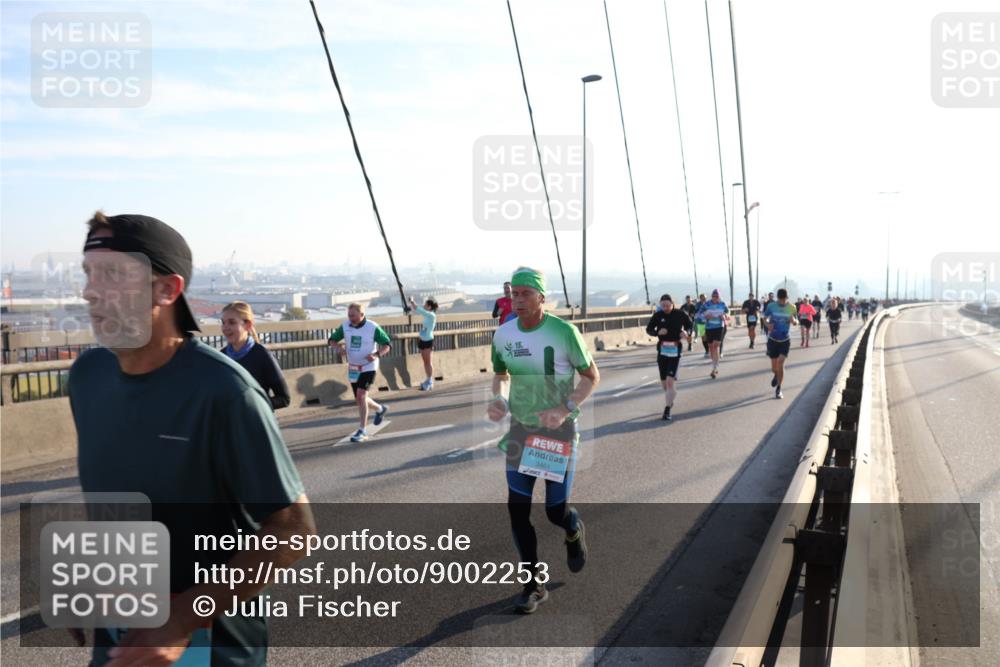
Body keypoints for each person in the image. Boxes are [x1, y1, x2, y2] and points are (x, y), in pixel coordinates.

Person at [71, 212, 314, 666]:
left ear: (167, 289)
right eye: (88, 273)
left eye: (112, 274)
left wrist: (181, 620)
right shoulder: (87, 377)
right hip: (122, 638)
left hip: (210, 647)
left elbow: (293, 530)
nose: (89, 291)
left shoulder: (225, 391)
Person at [486, 267, 599, 614]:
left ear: (541, 297)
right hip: (522, 430)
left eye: (525, 294)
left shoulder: (564, 332)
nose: (518, 300)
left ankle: (572, 528)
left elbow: (591, 376)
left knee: (554, 511)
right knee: (517, 510)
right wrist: (500, 398)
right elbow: (501, 374)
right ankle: (533, 584)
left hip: (557, 433)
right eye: (514, 294)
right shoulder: (503, 334)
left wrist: (564, 409)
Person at [328, 303, 392, 442]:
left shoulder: (372, 327)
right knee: (359, 398)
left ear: (362, 314)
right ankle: (380, 409)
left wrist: (376, 354)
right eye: (349, 315)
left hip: (369, 366)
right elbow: (332, 340)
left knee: (361, 395)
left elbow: (387, 344)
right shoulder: (345, 326)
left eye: (353, 315)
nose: (350, 318)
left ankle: (362, 430)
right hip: (353, 367)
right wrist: (338, 348)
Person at [221, 301, 291, 410]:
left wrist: (253, 406)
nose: (225, 328)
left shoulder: (262, 355)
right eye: (223, 322)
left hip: (255, 420)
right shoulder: (221, 357)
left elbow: (284, 399)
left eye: (232, 322)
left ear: (248, 325)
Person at [645, 294, 693, 421]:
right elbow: (648, 329)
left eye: (668, 305)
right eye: (663, 306)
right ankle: (670, 399)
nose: (665, 308)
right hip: (662, 351)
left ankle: (667, 410)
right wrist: (657, 332)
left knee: (670, 381)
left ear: (672, 304)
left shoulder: (680, 314)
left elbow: (689, 325)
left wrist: (686, 332)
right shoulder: (658, 315)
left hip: (675, 351)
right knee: (664, 384)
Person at [763, 287, 798, 399]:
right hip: (773, 339)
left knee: (780, 362)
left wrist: (794, 321)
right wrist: (768, 324)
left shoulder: (791, 307)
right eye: (780, 300)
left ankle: (779, 389)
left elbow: (796, 320)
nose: (782, 302)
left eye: (784, 300)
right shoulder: (771, 306)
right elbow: (764, 318)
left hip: (785, 340)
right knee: (774, 368)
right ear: (777, 298)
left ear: (787, 298)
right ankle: (776, 374)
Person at [408, 296, 438, 390]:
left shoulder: (432, 315)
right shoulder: (427, 315)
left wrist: (412, 301)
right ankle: (428, 379)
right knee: (425, 362)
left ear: (429, 307)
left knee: (428, 362)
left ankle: (430, 381)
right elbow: (420, 311)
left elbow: (419, 310)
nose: (424, 305)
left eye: (425, 304)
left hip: (428, 340)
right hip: (422, 340)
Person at [700, 289, 729, 378]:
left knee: (716, 346)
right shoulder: (706, 304)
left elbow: (728, 313)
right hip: (709, 328)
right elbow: (699, 314)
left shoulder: (722, 304)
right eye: (713, 296)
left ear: (719, 297)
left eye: (717, 296)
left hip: (719, 327)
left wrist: (724, 316)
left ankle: (714, 368)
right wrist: (706, 316)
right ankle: (714, 365)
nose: (715, 298)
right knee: (711, 347)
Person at [694, 293, 709, 357]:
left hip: (709, 323)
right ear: (700, 299)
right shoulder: (698, 304)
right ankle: (707, 350)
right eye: (702, 298)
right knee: (703, 337)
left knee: (709, 337)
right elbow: (696, 312)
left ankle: (710, 349)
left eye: (705, 298)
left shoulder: (709, 303)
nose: (704, 299)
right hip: (701, 323)